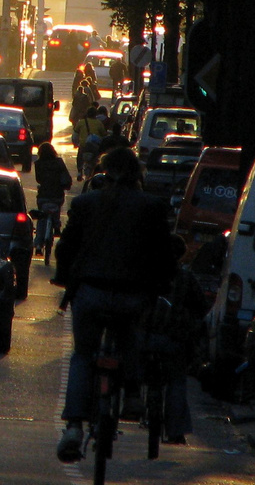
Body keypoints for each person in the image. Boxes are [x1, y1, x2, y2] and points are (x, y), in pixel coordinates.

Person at [52, 146, 175, 462]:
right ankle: (133, 394)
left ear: (104, 173)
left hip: (90, 292)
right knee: (130, 336)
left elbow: (66, 248)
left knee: (83, 355)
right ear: (137, 175)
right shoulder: (152, 207)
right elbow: (164, 254)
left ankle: (74, 427)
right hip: (133, 295)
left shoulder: (85, 204)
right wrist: (160, 287)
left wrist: (64, 278)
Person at [148, 234, 209, 445]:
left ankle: (133, 402)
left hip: (147, 339)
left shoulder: (148, 273)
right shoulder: (186, 278)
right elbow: (201, 308)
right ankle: (176, 431)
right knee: (176, 383)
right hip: (175, 340)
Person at [33, 143, 73, 255]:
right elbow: (66, 176)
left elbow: (39, 179)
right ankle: (56, 224)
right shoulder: (59, 162)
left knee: (42, 217)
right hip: (57, 195)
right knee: (56, 208)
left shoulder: (38, 164)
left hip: (43, 196)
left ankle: (38, 244)